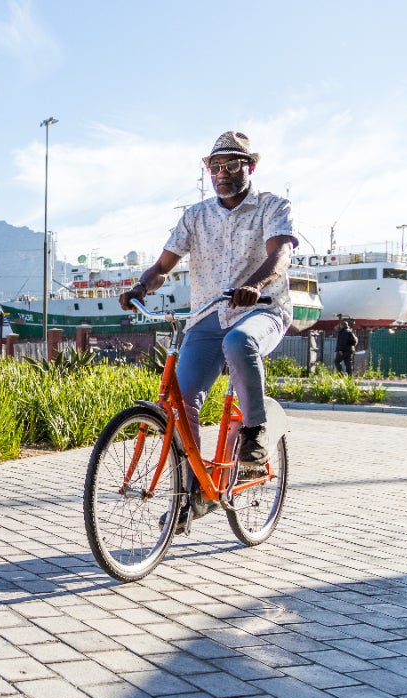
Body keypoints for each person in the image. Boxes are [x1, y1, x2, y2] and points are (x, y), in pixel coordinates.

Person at [119, 131, 297, 523]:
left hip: (262, 310)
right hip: (206, 317)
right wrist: (140, 286)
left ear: (249, 166)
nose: (221, 173)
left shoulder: (271, 206)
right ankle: (194, 492)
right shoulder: (195, 216)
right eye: (214, 166)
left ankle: (254, 434)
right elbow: (164, 265)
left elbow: (280, 253)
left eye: (232, 164)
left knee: (239, 342)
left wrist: (255, 285)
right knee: (181, 401)